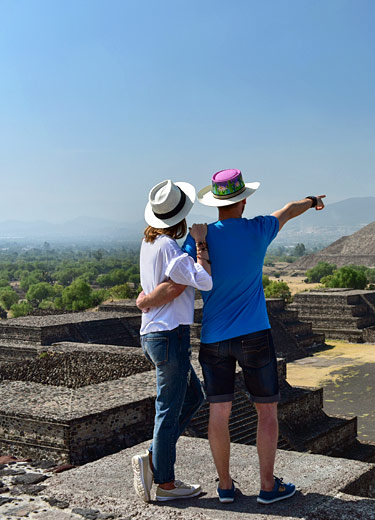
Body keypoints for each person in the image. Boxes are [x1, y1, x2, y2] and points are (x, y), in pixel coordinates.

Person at [136, 169, 325, 505]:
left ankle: (225, 486)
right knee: (266, 412)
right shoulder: (259, 229)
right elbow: (288, 210)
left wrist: (146, 300)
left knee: (218, 413)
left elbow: (175, 281)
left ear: (215, 202)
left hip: (214, 339)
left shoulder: (198, 238)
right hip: (254, 334)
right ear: (244, 200)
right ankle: (267, 486)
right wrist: (312, 201)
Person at [131, 179, 213, 503]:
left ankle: (155, 455)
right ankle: (164, 483)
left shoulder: (148, 243)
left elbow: (162, 288)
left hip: (153, 334)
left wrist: (148, 299)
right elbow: (203, 281)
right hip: (170, 335)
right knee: (167, 409)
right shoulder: (170, 248)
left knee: (193, 396)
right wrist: (201, 243)